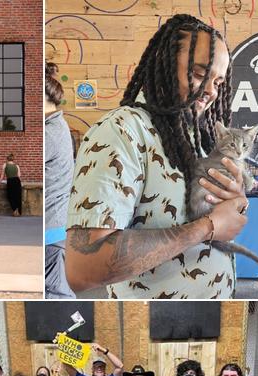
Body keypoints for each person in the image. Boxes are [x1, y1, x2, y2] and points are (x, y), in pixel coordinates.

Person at [65, 14, 248, 298]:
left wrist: (235, 203)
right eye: (200, 74)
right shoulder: (121, 131)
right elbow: (82, 269)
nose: (211, 90)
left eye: (219, 81)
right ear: (164, 63)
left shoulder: (199, 134)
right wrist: (208, 227)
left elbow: (215, 216)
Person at [45, 67, 76, 298]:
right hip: (54, 229)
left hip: (51, 231)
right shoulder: (57, 127)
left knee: (56, 294)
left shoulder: (51, 133)